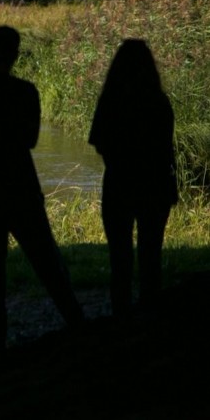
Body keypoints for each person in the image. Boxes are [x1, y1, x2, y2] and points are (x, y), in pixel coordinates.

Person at [0, 26, 84, 354]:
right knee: (46, 258)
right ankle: (76, 321)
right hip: (20, 187)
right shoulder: (28, 93)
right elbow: (30, 140)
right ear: (16, 54)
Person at [88, 39, 177, 319]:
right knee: (151, 257)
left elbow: (99, 142)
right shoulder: (160, 102)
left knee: (120, 260)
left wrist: (119, 162)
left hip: (119, 185)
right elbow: (165, 148)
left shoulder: (110, 102)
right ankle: (149, 318)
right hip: (155, 185)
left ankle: (121, 318)